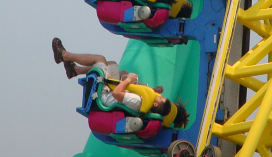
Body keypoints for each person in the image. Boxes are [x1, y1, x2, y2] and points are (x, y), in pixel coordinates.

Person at [51, 37, 189, 128]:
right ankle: (75, 70)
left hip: (105, 96)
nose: (161, 97)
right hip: (113, 93)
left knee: (100, 59)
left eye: (161, 99)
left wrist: (129, 80)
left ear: (155, 104)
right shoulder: (148, 103)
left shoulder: (138, 102)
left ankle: (64, 55)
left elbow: (117, 94)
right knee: (113, 65)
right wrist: (151, 89)